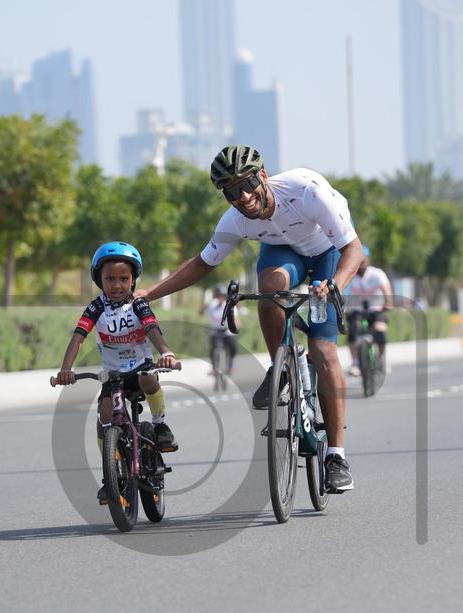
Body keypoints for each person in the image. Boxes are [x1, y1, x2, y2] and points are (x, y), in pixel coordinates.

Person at [140, 145, 365, 493]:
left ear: (262, 176)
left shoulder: (307, 191)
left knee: (323, 350)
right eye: (231, 192)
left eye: (246, 185)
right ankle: (281, 367)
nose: (242, 197)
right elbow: (201, 264)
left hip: (328, 252)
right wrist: (148, 294)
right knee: (268, 288)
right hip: (284, 252)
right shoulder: (235, 220)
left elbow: (354, 249)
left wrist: (334, 284)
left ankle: (336, 457)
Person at [55, 241, 180, 505]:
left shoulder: (139, 305)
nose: (117, 285)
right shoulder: (95, 308)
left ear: (133, 280)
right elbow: (78, 337)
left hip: (141, 367)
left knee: (148, 379)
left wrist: (166, 352)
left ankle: (159, 424)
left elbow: (152, 329)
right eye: (109, 279)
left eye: (124, 279)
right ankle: (111, 476)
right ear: (99, 280)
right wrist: (66, 369)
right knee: (103, 419)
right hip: (113, 375)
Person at [345, 245, 393, 376]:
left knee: (380, 330)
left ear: (368, 259)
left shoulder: (376, 274)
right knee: (352, 331)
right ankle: (355, 363)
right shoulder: (350, 275)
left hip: (376, 310)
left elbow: (386, 288)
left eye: (364, 259)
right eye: (359, 260)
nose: (362, 262)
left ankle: (381, 359)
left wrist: (388, 303)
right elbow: (344, 292)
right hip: (357, 311)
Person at [201, 284, 240, 375]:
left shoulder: (229, 305)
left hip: (227, 330)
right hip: (216, 330)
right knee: (214, 348)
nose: (220, 298)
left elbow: (236, 319)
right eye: (218, 295)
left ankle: (230, 366)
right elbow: (201, 313)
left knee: (232, 346)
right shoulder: (212, 305)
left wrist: (237, 326)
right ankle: (214, 367)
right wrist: (205, 306)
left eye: (222, 295)